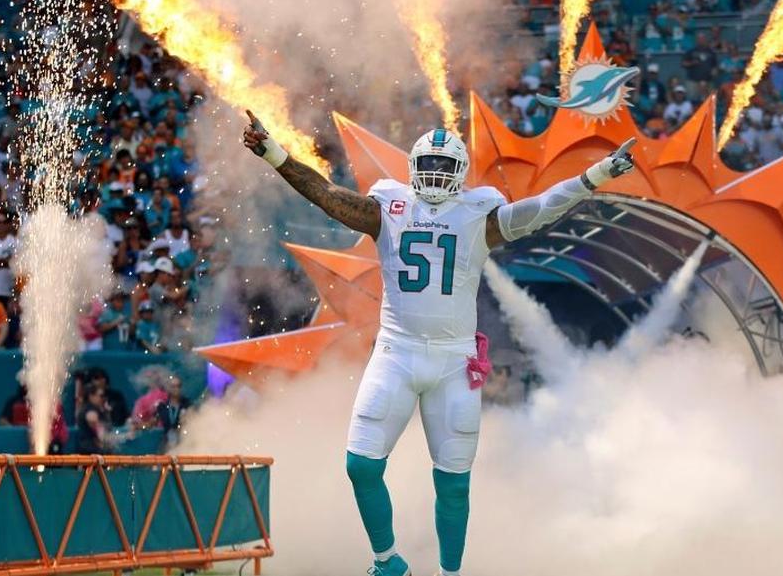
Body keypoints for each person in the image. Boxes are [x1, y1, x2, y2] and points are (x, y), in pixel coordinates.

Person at [242, 111, 638, 576]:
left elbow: (540, 209)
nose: (434, 172)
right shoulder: (388, 208)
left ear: (461, 171)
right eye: (427, 162)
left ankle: (450, 573)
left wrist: (596, 174)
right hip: (397, 351)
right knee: (361, 466)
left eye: (443, 164)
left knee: (453, 484)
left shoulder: (478, 215)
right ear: (411, 166)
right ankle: (388, 561)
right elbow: (327, 194)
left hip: (454, 360)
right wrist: (273, 152)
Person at [76, 381, 116, 454]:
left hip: (93, 450)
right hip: (91, 452)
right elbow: (99, 432)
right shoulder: (90, 410)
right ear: (91, 396)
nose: (103, 398)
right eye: (101, 395)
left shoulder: (96, 409)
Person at [156, 375, 191, 450]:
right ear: (169, 388)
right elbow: (153, 421)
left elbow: (193, 421)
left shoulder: (187, 405)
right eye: (173, 386)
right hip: (166, 442)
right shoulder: (162, 406)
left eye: (179, 386)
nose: (176, 389)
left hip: (184, 441)